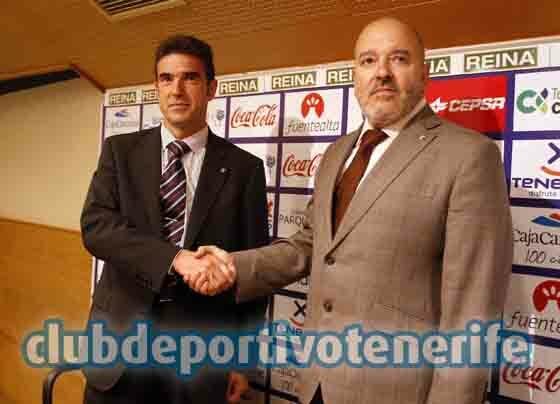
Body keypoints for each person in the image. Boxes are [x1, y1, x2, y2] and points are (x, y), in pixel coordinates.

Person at [192, 17, 513, 404]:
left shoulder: (468, 155)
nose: (382, 73)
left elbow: (471, 309)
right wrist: (232, 266)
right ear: (354, 75)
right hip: (317, 384)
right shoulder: (336, 154)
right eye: (368, 61)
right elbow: (311, 245)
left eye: (398, 59)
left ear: (424, 73)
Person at [80, 34, 269, 404]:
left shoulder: (246, 169)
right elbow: (96, 228)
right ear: (155, 87)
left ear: (211, 87)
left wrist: (241, 361)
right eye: (166, 79)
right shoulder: (120, 152)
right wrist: (173, 258)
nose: (176, 90)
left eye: (190, 78)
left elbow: (253, 275)